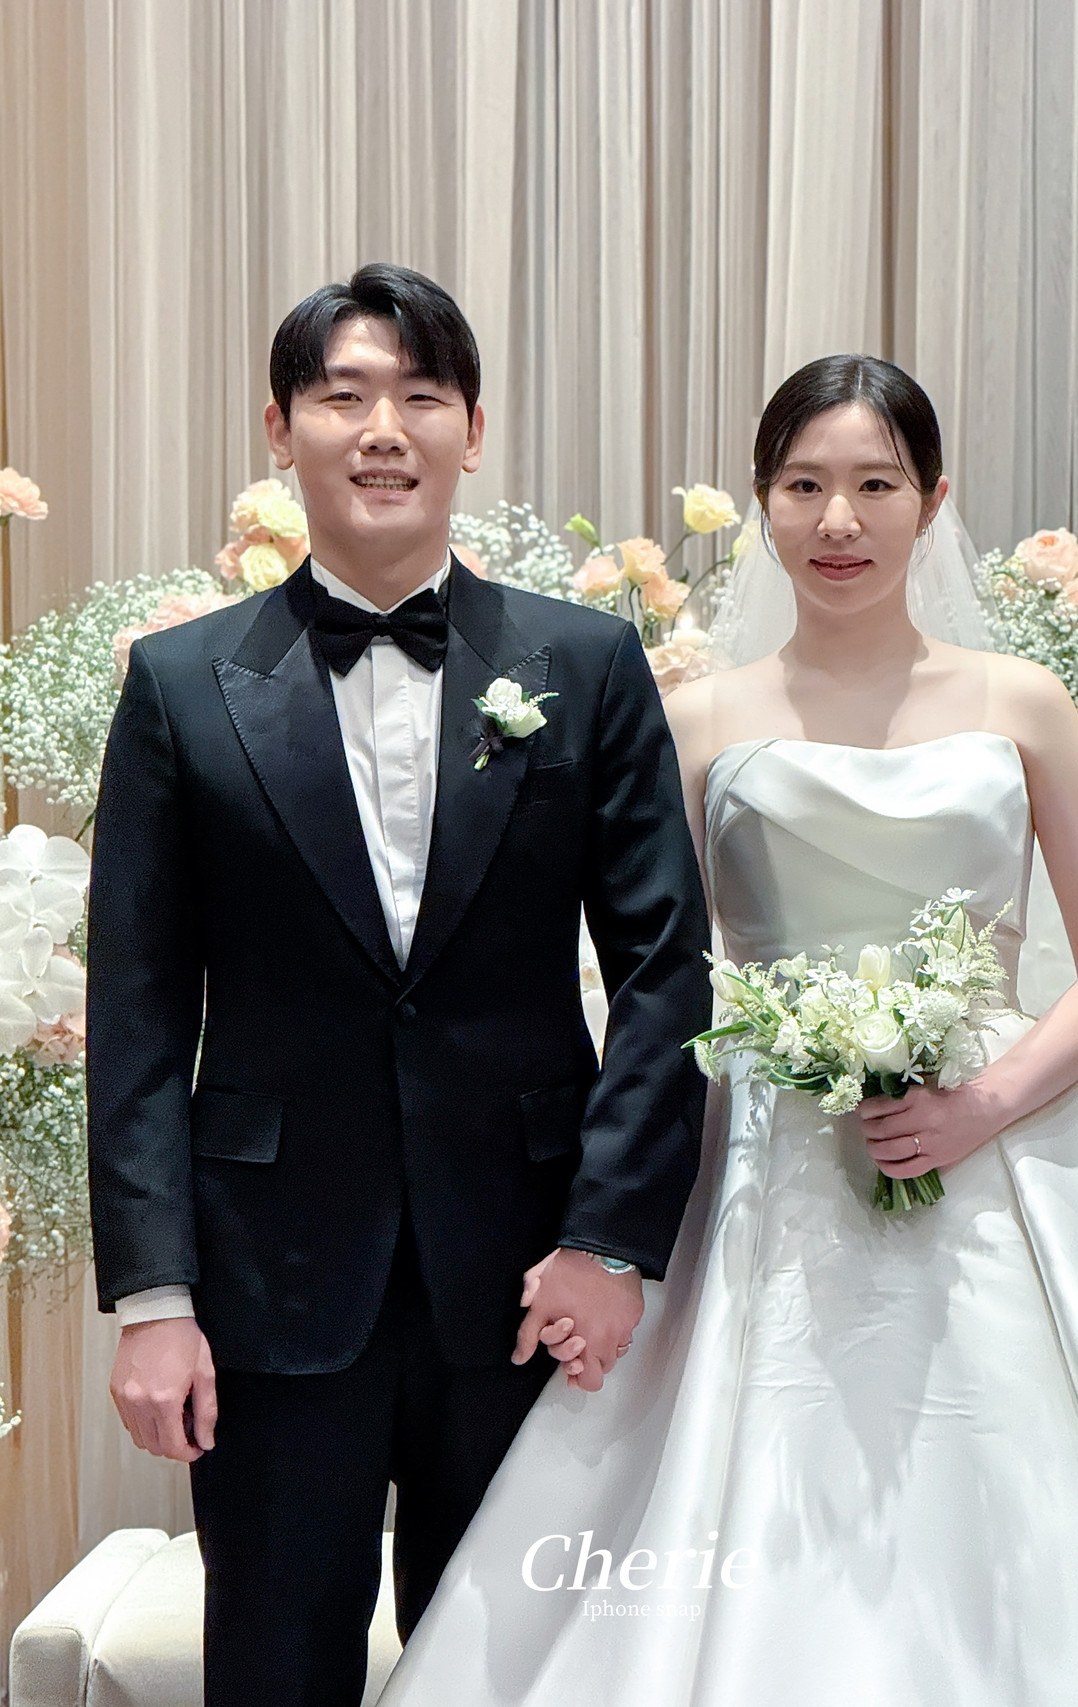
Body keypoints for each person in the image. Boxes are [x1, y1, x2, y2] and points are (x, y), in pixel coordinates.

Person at [382, 354, 1078, 1706]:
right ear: (763, 502)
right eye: (804, 487)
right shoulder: (697, 718)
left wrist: (986, 1103)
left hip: (999, 1135)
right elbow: (652, 971)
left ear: (933, 500)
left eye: (875, 485)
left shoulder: (1021, 702)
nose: (839, 521)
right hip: (760, 1148)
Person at [85, 262, 710, 1707]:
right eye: (343, 395)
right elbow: (136, 1011)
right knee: (275, 1662)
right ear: (279, 428)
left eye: (421, 396)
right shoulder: (182, 685)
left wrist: (609, 1240)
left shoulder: (585, 663)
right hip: (268, 1278)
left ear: (472, 432)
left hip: (529, 1275)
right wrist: (153, 1297)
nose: (383, 429)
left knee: (514, 1669)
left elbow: (664, 973)